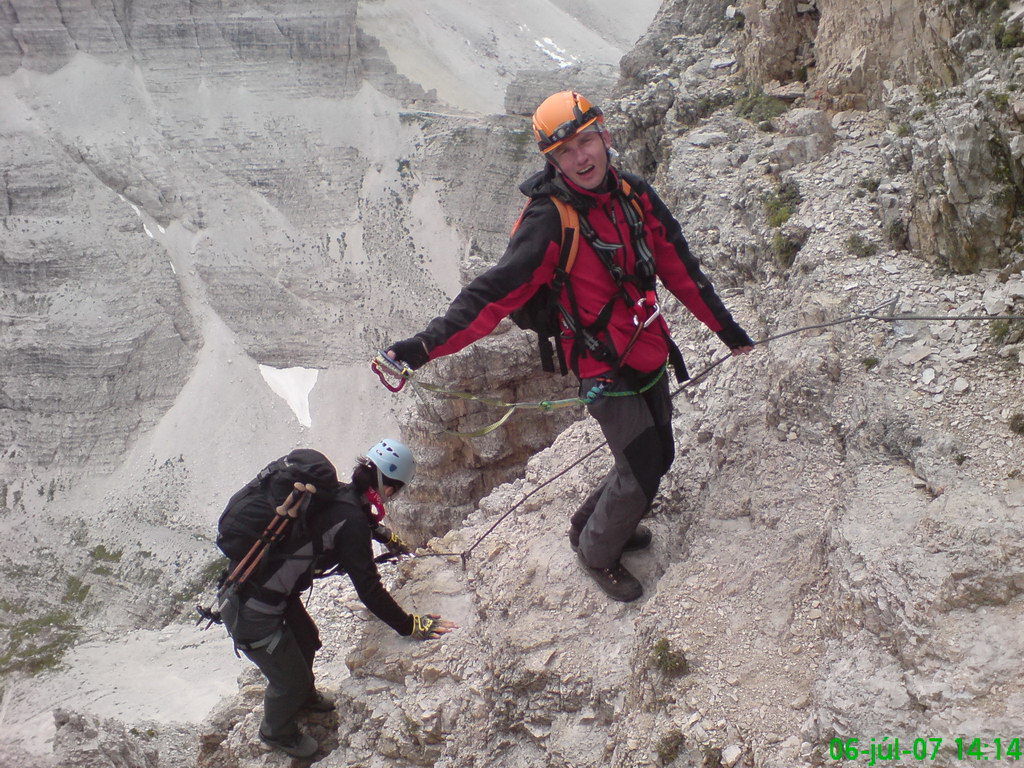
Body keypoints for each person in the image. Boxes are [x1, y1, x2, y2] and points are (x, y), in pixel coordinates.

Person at [386, 90, 753, 604]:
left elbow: (679, 268)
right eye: (564, 152)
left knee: (654, 456)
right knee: (645, 464)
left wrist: (728, 331)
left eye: (586, 142)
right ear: (551, 161)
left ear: (604, 136)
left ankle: (597, 523)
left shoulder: (634, 195)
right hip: (601, 365)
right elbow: (490, 296)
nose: (581, 158)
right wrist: (419, 348)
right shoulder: (550, 222)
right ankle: (598, 552)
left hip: (647, 349)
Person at [217, 441, 457, 759]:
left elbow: (349, 518)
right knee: (289, 682)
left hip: (266, 594)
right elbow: (369, 589)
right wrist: (411, 625)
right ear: (389, 489)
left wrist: (387, 537)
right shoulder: (351, 521)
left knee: (310, 641)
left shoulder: (340, 495)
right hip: (253, 612)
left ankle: (304, 699)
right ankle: (276, 731)